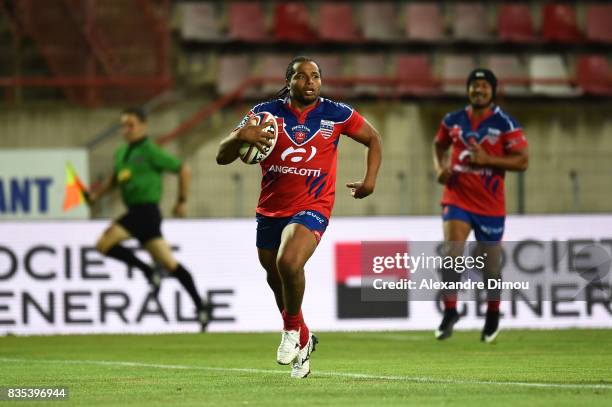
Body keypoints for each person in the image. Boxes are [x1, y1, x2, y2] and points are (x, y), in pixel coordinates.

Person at [216, 56, 382, 378]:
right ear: (288, 81)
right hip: (270, 208)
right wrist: (238, 138)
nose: (310, 82)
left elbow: (373, 138)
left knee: (289, 262)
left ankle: (291, 331)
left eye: (315, 76)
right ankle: (305, 340)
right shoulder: (265, 114)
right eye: (302, 76)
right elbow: (222, 157)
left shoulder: (337, 114)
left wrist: (370, 180)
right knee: (274, 277)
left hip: (314, 205)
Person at [87, 107, 210, 331]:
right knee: (171, 264)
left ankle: (148, 271)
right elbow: (114, 180)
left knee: (103, 244)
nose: (126, 129)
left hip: (145, 211)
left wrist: (181, 201)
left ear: (144, 126)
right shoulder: (121, 153)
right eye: (123, 125)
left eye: (130, 124)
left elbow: (184, 170)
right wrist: (95, 195)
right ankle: (201, 306)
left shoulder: (151, 151)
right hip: (141, 215)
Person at [432, 68, 528, 343]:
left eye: (485, 86)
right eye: (475, 85)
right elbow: (438, 145)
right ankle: (450, 311)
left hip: (490, 204)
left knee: (490, 267)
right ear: (468, 90)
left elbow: (522, 161)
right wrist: (440, 167)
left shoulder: (505, 124)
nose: (479, 90)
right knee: (451, 253)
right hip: (457, 196)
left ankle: (493, 314)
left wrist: (488, 160)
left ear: (493, 91)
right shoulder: (453, 120)